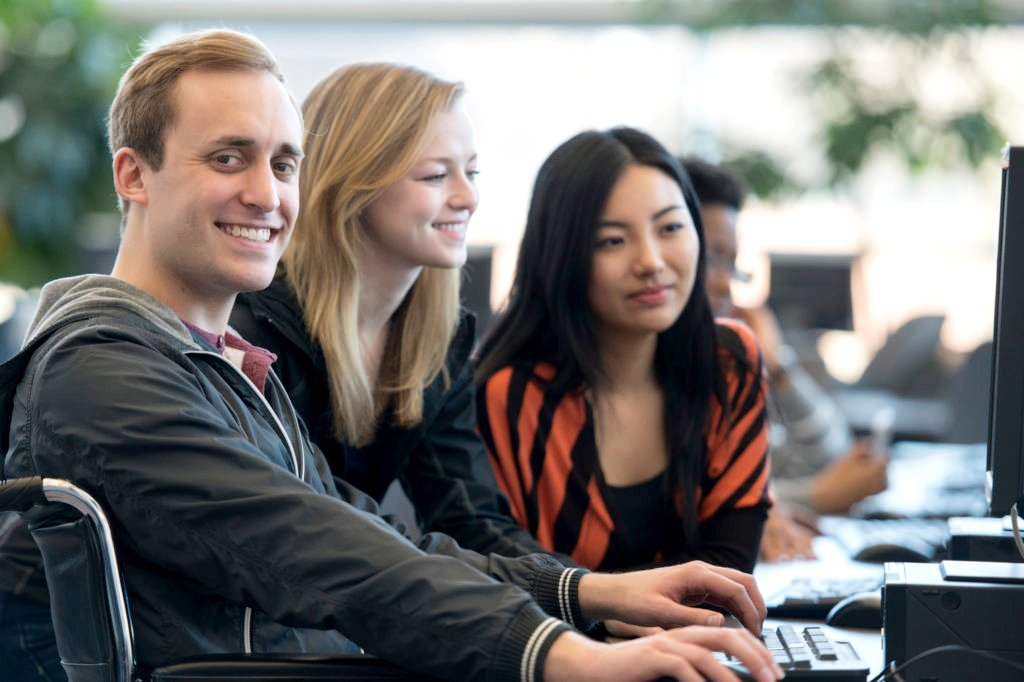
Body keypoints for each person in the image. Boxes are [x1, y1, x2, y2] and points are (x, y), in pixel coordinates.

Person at [0, 29, 784, 682]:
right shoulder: (103, 368)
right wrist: (563, 655)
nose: (269, 196)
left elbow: (382, 537)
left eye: (282, 163)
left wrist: (588, 595)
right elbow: (317, 550)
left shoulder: (229, 367)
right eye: (228, 158)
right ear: (133, 175)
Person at [229, 63, 552, 560]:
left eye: (472, 172)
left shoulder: (435, 343)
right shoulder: (253, 330)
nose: (468, 197)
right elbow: (327, 526)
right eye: (437, 175)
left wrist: (595, 600)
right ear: (353, 184)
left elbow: (471, 521)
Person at [475, 127, 773, 575]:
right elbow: (509, 580)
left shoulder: (728, 363)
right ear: (563, 255)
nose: (651, 262)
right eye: (613, 240)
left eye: (670, 227)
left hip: (698, 643)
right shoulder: (510, 397)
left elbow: (728, 566)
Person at [680, 157, 888, 561]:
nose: (725, 283)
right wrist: (816, 497)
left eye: (732, 264)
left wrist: (778, 367)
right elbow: (694, 502)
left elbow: (830, 456)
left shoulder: (721, 366)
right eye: (711, 259)